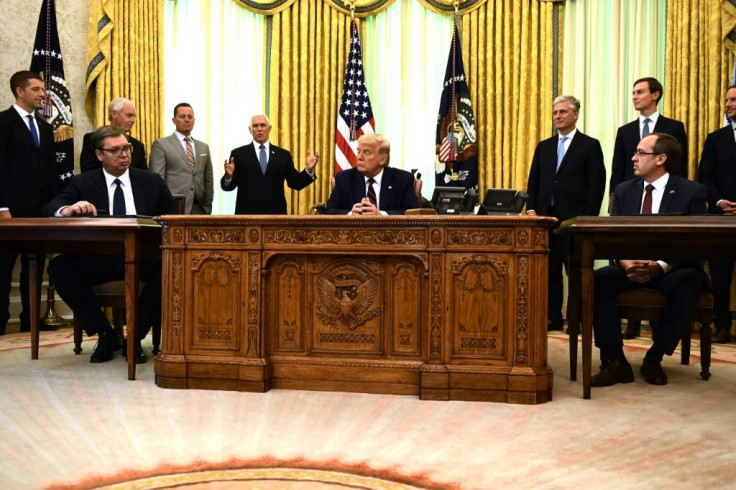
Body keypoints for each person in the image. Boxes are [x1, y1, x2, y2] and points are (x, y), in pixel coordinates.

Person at [42, 126, 177, 363]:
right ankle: (105, 333)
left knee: (170, 267)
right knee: (59, 268)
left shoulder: (151, 181)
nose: (124, 154)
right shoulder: (83, 183)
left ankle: (134, 337)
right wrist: (69, 209)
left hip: (145, 259)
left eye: (126, 148)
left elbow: (175, 222)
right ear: (99, 155)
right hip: (100, 261)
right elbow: (50, 210)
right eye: (115, 150)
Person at [592, 133, 708, 387]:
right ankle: (616, 361)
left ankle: (654, 357)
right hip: (629, 265)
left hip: (672, 267)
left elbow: (697, 243)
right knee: (600, 279)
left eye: (640, 153)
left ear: (661, 158)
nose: (633, 158)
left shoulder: (692, 192)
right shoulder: (623, 190)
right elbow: (615, 237)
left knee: (688, 281)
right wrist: (627, 264)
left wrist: (659, 266)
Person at [610, 77, 689, 339]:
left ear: (655, 95)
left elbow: (680, 170)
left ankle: (658, 331)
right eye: (632, 92)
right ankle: (630, 324)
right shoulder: (626, 130)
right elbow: (619, 170)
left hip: (665, 207)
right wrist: (616, 201)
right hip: (631, 204)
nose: (634, 96)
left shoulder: (674, 127)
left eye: (640, 92)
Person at [526, 95, 606, 331]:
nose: (558, 116)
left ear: (575, 114)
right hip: (545, 219)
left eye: (562, 112)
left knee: (576, 271)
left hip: (574, 221)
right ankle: (553, 318)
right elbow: (534, 180)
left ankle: (578, 318)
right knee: (549, 271)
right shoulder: (544, 146)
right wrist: (531, 209)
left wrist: (587, 218)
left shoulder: (590, 145)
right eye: (555, 113)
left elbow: (596, 184)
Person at [0, 71, 57, 336]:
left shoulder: (45, 128)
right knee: (3, 270)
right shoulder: (3, 122)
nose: (42, 93)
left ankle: (29, 323)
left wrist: (54, 208)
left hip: (40, 212)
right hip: (11, 211)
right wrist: (2, 208)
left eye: (42, 88)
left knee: (35, 268)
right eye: (36, 89)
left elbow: (49, 171)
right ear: (19, 91)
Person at [697, 84, 736, 344]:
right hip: (721, 217)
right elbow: (705, 176)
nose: (729, 104)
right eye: (727, 100)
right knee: (720, 276)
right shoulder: (715, 138)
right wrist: (720, 200)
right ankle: (721, 325)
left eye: (733, 100)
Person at [222, 114, 318, 214]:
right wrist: (228, 177)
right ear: (250, 130)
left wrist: (308, 170)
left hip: (275, 217)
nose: (259, 129)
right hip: (247, 217)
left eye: (263, 125)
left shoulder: (283, 155)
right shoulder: (238, 154)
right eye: (255, 126)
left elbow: (295, 183)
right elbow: (228, 187)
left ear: (269, 128)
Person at [325, 134, 419, 215]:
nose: (359, 157)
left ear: (382, 160)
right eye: (358, 151)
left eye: (366, 152)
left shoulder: (402, 179)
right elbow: (329, 211)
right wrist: (350, 214)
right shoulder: (344, 179)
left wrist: (381, 215)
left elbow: (413, 213)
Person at [150, 103, 214, 214]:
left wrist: (207, 207)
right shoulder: (161, 144)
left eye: (190, 117)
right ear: (174, 120)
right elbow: (157, 179)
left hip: (199, 208)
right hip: (174, 207)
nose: (186, 120)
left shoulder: (203, 147)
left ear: (194, 120)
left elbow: (208, 179)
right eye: (182, 116)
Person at [79, 98, 147, 172]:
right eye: (129, 115)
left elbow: (143, 176)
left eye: (134, 116)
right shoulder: (93, 139)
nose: (133, 120)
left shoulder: (138, 146)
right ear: (114, 114)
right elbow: (88, 172)